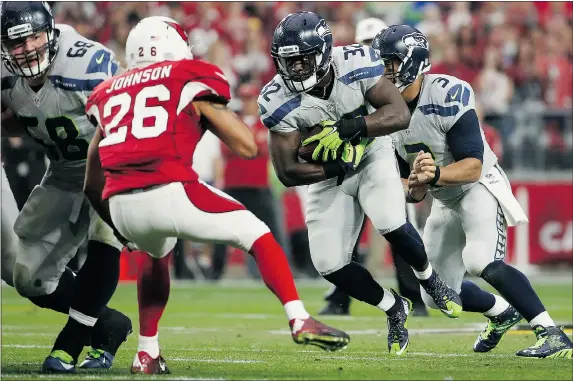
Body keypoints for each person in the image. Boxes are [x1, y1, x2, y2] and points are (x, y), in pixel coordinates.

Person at [83, 16, 350, 373]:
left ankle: (147, 352)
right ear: (175, 46)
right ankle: (299, 318)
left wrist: (118, 226)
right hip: (169, 188)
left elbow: (90, 181)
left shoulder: (110, 89)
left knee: (154, 253)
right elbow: (244, 146)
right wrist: (208, 113)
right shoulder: (187, 76)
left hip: (119, 204)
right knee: (258, 233)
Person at [258, 11, 462, 356]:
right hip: (330, 173)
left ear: (322, 52)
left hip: (371, 151)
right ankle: (393, 307)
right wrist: (335, 165)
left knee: (389, 220)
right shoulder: (275, 99)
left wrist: (350, 129)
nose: (294, 69)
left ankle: (429, 279)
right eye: (288, 62)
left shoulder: (356, 61)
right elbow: (287, 171)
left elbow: (399, 113)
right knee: (327, 263)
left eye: (302, 60)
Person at [373, 24, 573, 359]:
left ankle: (552, 333)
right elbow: (413, 189)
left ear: (413, 61)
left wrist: (434, 173)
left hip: (478, 186)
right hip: (443, 198)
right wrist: (417, 185)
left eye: (391, 62)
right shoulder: (384, 110)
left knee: (481, 261)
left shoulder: (446, 94)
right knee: (434, 293)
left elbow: (472, 166)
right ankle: (501, 313)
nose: (385, 70)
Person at [0, 1, 134, 373]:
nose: (27, 48)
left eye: (34, 37)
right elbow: (24, 117)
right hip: (62, 172)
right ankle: (108, 323)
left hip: (111, 164)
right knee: (28, 276)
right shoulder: (6, 74)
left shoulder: (85, 65)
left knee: (103, 241)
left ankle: (70, 345)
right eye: (16, 43)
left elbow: (128, 115)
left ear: (51, 31)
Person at [319, 17, 428, 317]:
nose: (371, 53)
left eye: (374, 45)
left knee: (399, 227)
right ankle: (339, 297)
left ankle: (414, 297)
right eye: (365, 45)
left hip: (392, 155)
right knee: (346, 229)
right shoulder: (349, 76)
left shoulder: (395, 79)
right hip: (358, 154)